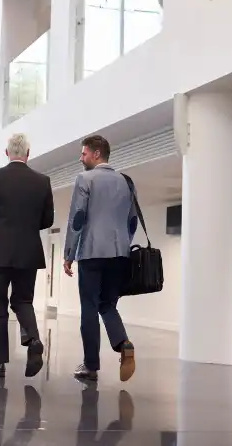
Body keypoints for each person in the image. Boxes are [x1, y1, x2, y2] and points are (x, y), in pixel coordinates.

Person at [0, 133, 54, 378]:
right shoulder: (42, 181)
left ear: (7, 153)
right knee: (23, 301)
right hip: (29, 252)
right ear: (28, 154)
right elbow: (48, 219)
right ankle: (34, 340)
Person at [63, 135, 138, 382]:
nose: (81, 158)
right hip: (120, 254)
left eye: (84, 153)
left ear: (97, 154)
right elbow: (132, 220)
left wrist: (69, 255)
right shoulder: (126, 182)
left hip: (93, 252)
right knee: (108, 304)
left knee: (89, 307)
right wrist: (123, 243)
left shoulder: (85, 179)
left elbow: (77, 219)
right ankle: (123, 343)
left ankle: (91, 366)